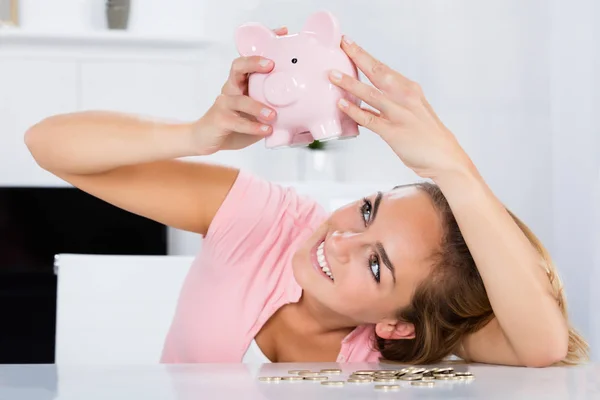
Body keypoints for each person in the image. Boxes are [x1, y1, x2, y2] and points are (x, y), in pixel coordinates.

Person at [25, 27, 588, 367]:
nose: (341, 238)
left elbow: (540, 345)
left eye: (376, 264)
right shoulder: (268, 222)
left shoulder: (392, 355)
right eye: (369, 211)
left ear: (398, 325)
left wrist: (452, 166)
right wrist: (198, 136)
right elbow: (48, 144)